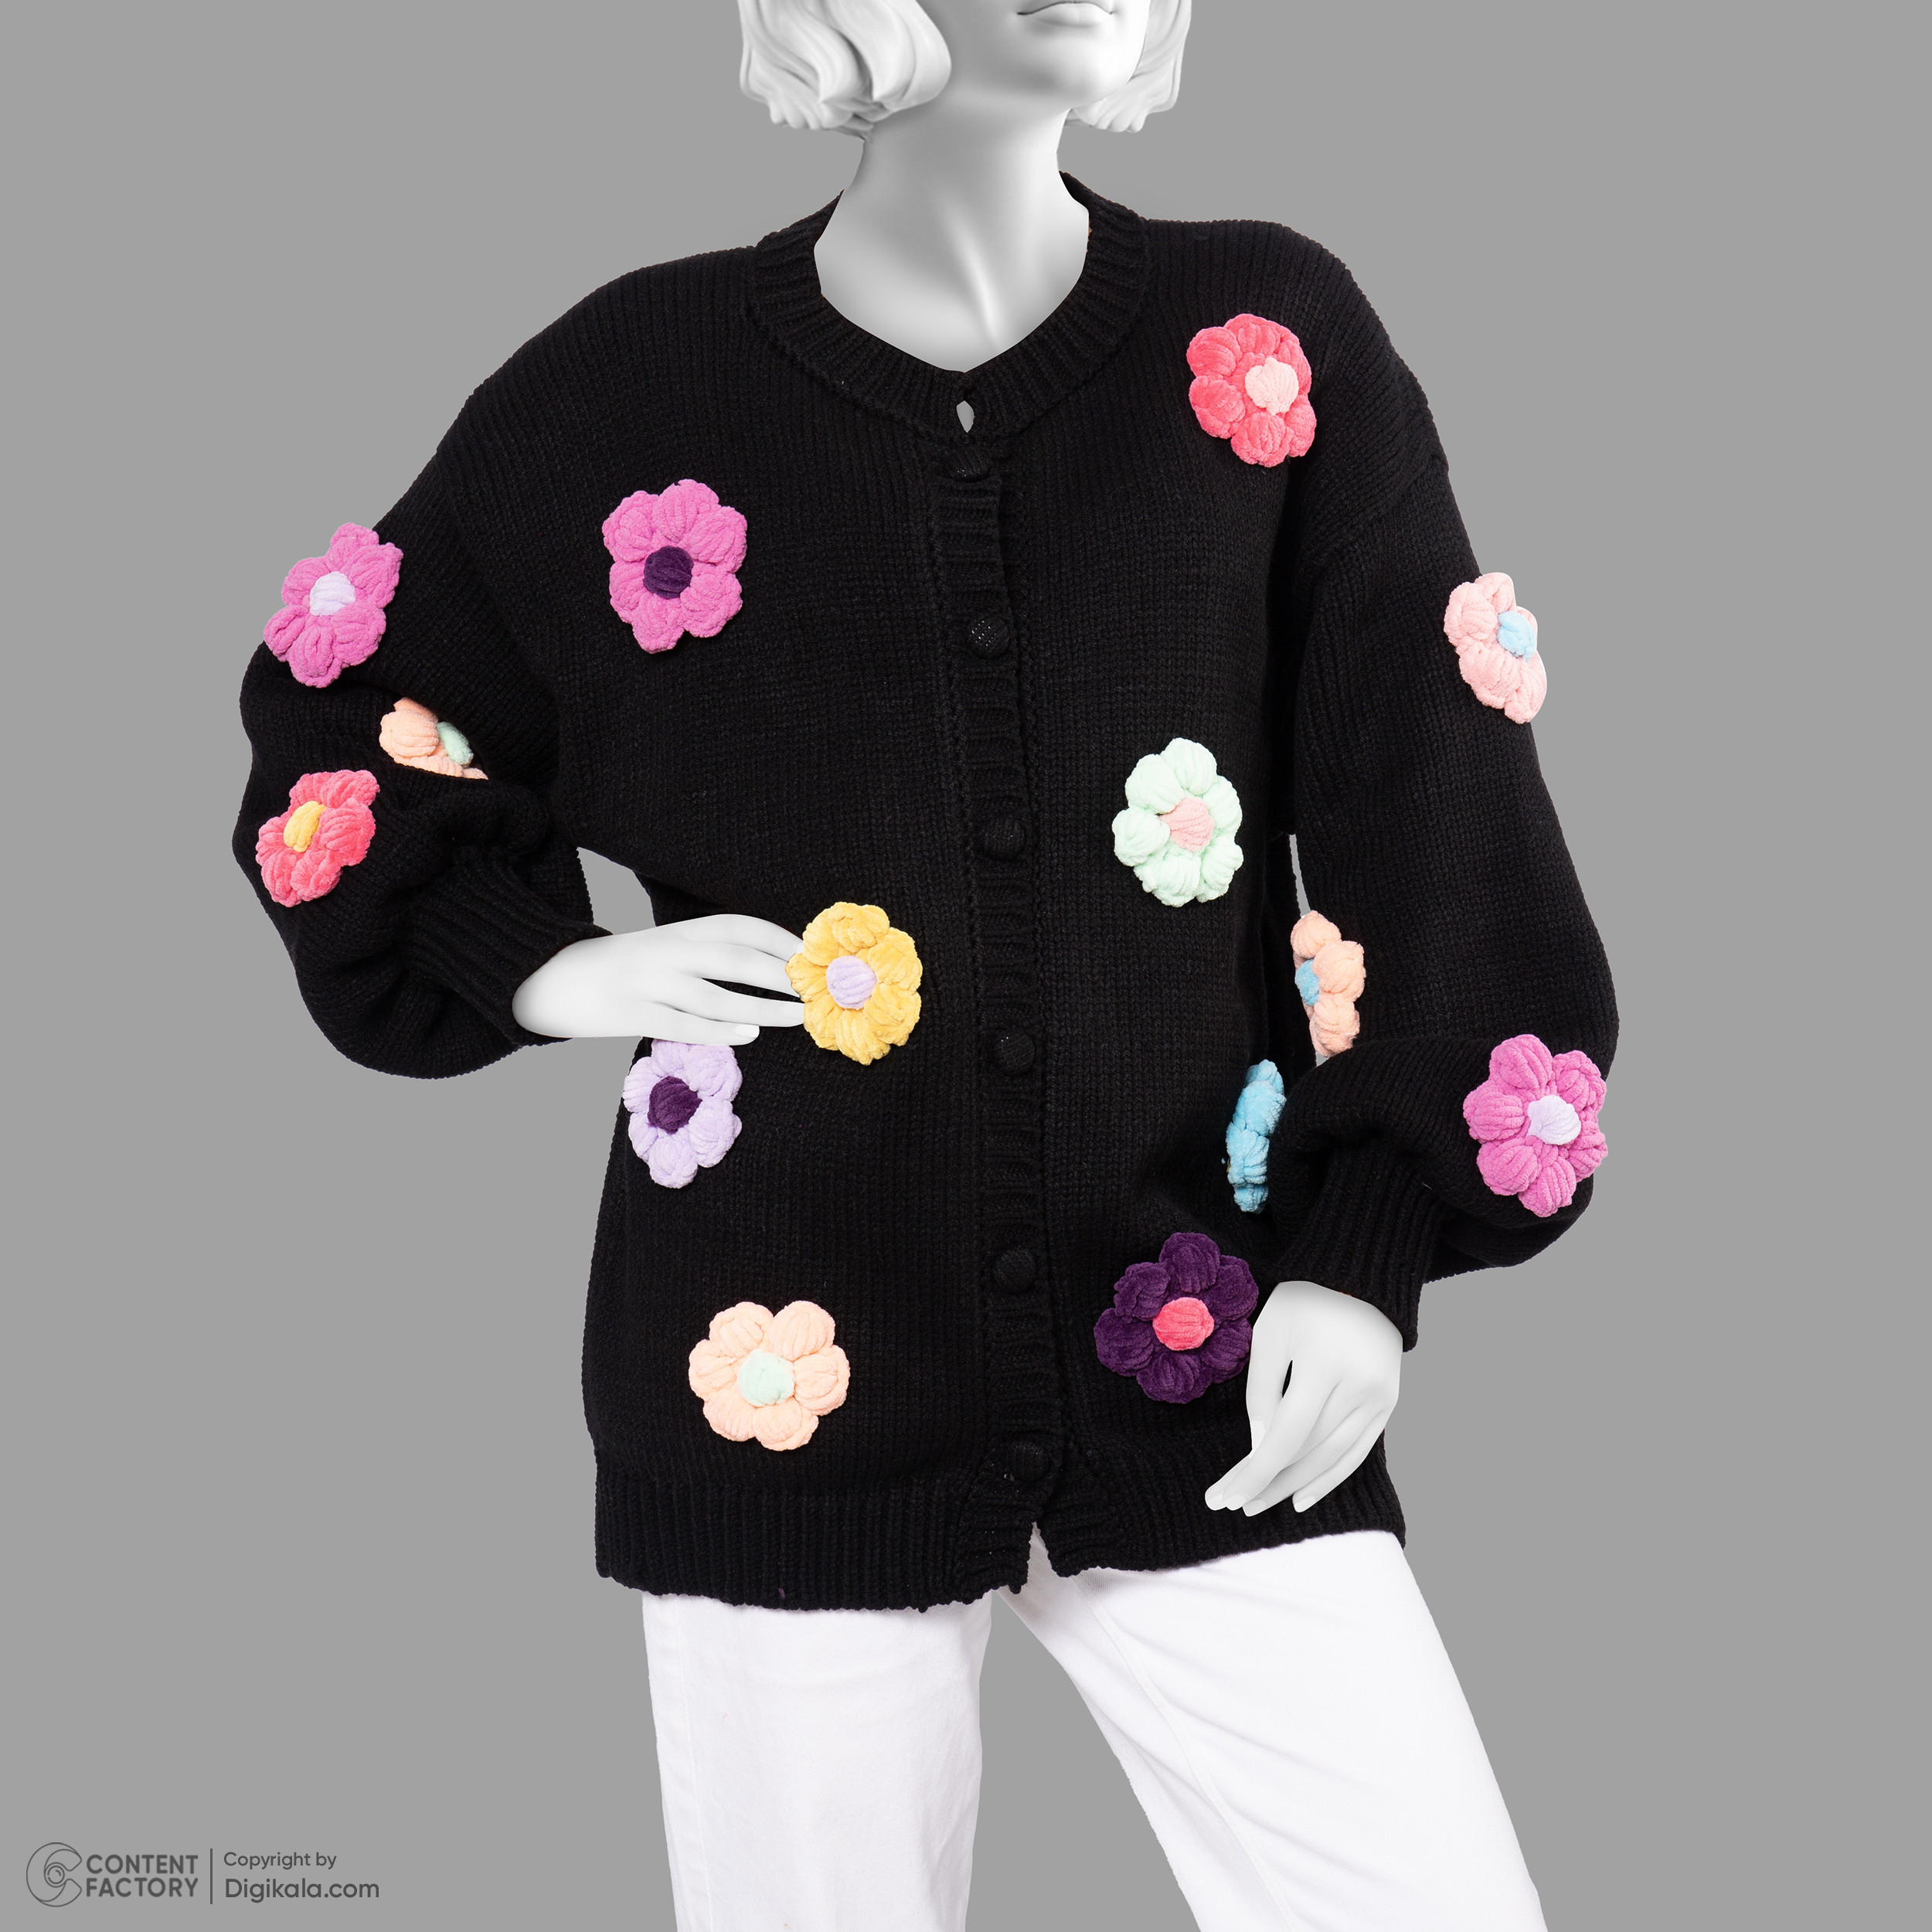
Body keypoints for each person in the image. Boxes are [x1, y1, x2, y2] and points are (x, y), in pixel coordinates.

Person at [233, 3, 1615, 1925]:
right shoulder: (630, 381)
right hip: (770, 1369)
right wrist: (537, 963)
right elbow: (344, 701)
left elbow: (1429, 796)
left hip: (1209, 1344)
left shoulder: (1262, 343)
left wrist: (1367, 1249)